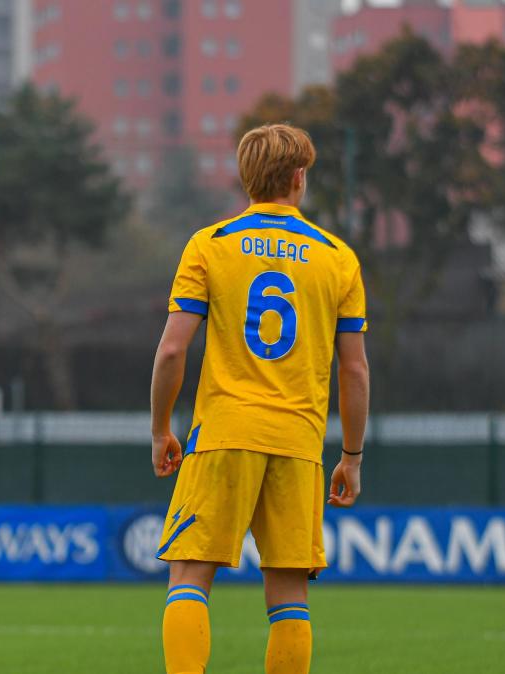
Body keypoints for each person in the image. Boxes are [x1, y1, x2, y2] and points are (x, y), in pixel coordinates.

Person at [150, 123, 370, 674]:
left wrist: (160, 429)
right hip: (298, 441)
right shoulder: (338, 257)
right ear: (300, 177)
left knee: (190, 576)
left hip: (225, 431)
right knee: (290, 592)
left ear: (247, 179)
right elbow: (355, 369)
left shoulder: (210, 244)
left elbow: (172, 352)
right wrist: (351, 456)